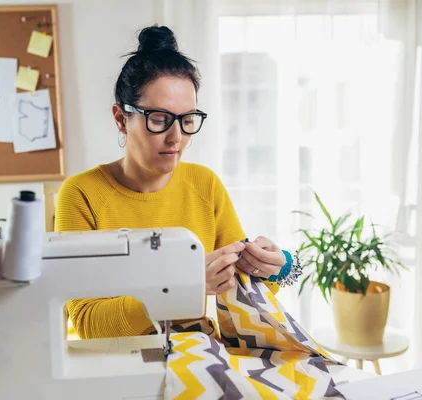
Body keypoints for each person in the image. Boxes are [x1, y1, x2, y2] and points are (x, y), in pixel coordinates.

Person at [55, 25, 287, 340]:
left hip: (200, 355)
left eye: (188, 120)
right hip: (118, 367)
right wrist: (178, 287)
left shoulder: (205, 184)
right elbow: (86, 323)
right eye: (160, 120)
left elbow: (240, 285)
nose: (176, 138)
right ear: (121, 119)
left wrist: (273, 267)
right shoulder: (82, 194)